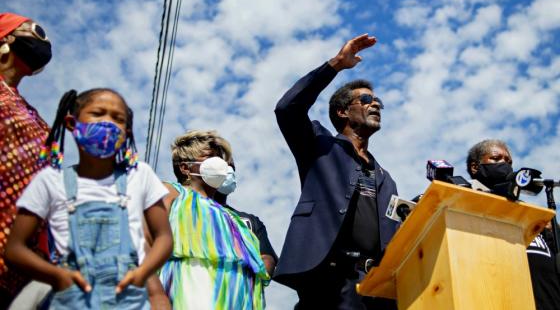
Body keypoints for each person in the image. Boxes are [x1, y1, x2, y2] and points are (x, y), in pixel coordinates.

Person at [5, 88, 173, 309]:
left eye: (118, 119)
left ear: (128, 132)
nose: (108, 123)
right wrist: (57, 276)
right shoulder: (51, 182)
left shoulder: (140, 179)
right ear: (72, 123)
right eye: (98, 113)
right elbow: (15, 248)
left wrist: (142, 274)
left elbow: (163, 240)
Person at [274, 34, 399, 309]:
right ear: (342, 112)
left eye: (378, 102)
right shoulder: (319, 146)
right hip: (327, 279)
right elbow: (287, 109)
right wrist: (336, 65)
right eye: (366, 100)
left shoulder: (386, 179)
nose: (375, 104)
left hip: (376, 288)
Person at [159, 130, 269, 309]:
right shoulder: (171, 192)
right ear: (185, 167)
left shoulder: (236, 220)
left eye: (220, 158)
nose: (220, 164)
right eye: (209, 157)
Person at [466, 139, 560, 310]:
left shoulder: (531, 213)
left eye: (509, 161)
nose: (505, 164)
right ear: (475, 167)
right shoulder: (462, 199)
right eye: (496, 158)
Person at [0, 12, 52, 308]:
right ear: (5, 38)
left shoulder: (38, 119)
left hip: (25, 263)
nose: (43, 41)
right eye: (35, 31)